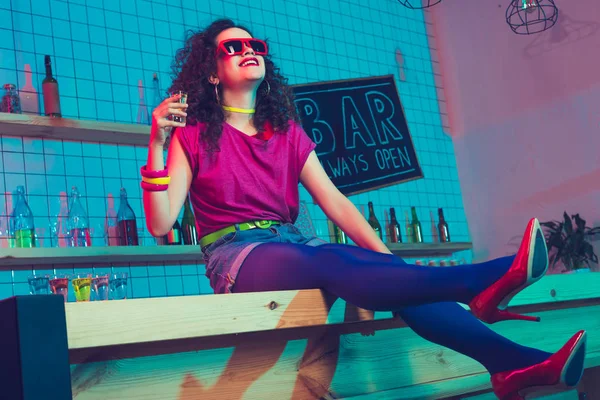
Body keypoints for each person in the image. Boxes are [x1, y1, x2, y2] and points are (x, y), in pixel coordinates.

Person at [141, 19, 586, 400]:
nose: (248, 51)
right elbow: (161, 223)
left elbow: (335, 201)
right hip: (237, 255)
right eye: (232, 47)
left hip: (295, 245)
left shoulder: (287, 132)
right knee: (326, 256)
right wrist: (157, 142)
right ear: (212, 73)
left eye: (254, 45)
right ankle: (476, 283)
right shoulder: (193, 134)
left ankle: (517, 367)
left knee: (395, 283)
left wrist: (389, 263)